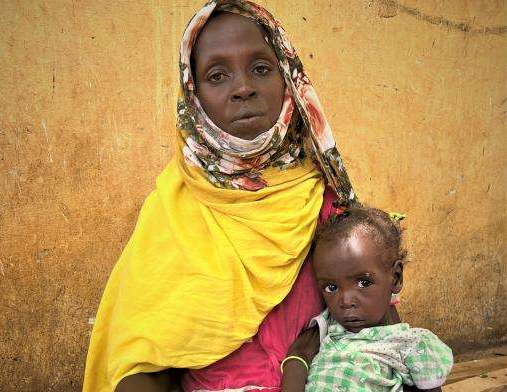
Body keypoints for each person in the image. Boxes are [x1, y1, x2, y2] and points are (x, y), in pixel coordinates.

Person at [83, 1, 368, 391]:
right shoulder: (172, 212)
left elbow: (379, 325)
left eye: (262, 68)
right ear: (193, 96)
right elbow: (140, 360)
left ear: (288, 79)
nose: (243, 87)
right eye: (217, 76)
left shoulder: (326, 204)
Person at [281, 208, 453, 392]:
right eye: (331, 287)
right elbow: (297, 357)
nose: (346, 301)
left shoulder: (410, 343)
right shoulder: (328, 327)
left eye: (364, 282)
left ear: (395, 278)